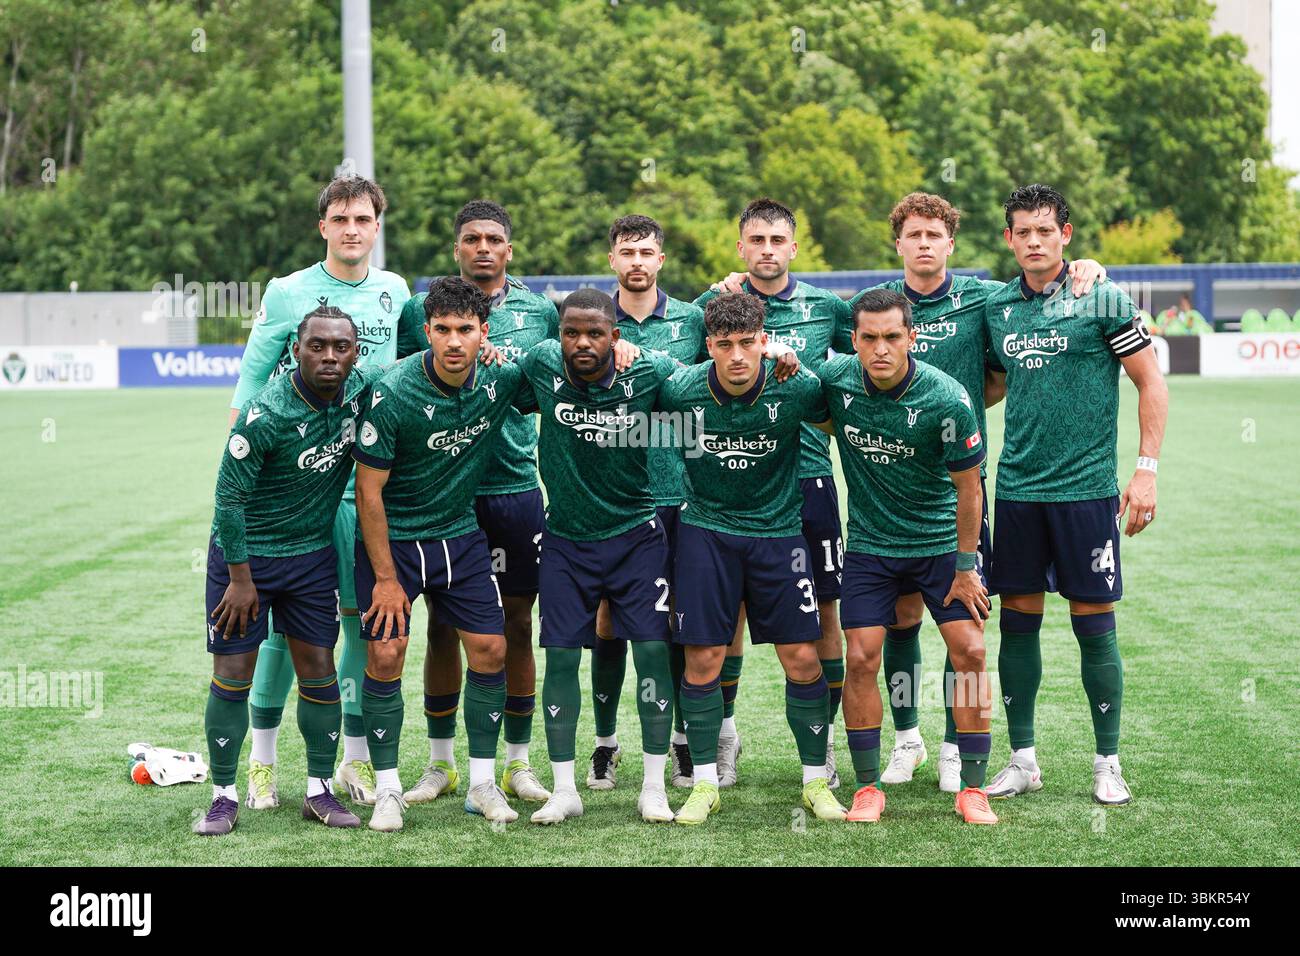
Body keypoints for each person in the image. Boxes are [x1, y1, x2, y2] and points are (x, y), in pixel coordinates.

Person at [844, 192, 1106, 793]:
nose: (925, 244)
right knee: (901, 623)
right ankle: (906, 740)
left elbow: (1005, 361)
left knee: (962, 631)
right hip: (887, 499)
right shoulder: (870, 307)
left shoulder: (984, 299)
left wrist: (1088, 267)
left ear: (951, 244)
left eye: (935, 235)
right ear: (899, 242)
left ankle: (956, 749)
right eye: (914, 235)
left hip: (958, 492)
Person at [982, 184, 1167, 806]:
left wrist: (1145, 471)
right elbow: (986, 378)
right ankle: (1023, 760)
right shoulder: (997, 306)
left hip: (1087, 493)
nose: (1033, 241)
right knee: (1018, 625)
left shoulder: (1101, 297)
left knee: (1094, 625)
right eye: (1022, 232)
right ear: (1009, 238)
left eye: (1044, 230)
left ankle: (1107, 762)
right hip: (1019, 492)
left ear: (1065, 233)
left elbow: (1151, 383)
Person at [232, 176, 410, 810]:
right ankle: (261, 761)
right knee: (286, 631)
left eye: (363, 218)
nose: (352, 229)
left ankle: (355, 763)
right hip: (296, 486)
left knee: (364, 623)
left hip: (362, 483)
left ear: (377, 225)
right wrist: (242, 468)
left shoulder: (395, 291)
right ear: (323, 227)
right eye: (340, 219)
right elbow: (253, 379)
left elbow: (411, 368)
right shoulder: (287, 293)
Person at [351, 277, 535, 830]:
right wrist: (385, 578)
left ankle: (481, 782)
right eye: (444, 330)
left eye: (466, 330)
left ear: (484, 332)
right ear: (426, 331)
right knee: (386, 654)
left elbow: (569, 372)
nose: (454, 341)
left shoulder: (501, 377)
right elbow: (368, 491)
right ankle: (388, 790)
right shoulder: (392, 391)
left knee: (491, 647)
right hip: (397, 542)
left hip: (460, 534)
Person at [659, 292, 845, 825]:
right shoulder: (681, 390)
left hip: (778, 536)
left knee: (803, 659)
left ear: (765, 341)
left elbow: (846, 409)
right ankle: (703, 783)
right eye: (724, 345)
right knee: (703, 662)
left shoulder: (798, 387)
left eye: (747, 343)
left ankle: (815, 781)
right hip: (705, 536)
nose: (737, 356)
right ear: (709, 347)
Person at [395, 200, 555, 808]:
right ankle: (440, 765)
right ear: (457, 247)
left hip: (512, 487)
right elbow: (411, 381)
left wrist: (503, 367)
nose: (482, 247)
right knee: (442, 626)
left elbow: (543, 389)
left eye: (494, 239)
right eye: (471, 238)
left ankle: (516, 762)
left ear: (510, 249)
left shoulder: (539, 310)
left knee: (515, 626)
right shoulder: (423, 309)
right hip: (442, 494)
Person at [816, 289, 997, 825]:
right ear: (853, 341)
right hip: (871, 546)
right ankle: (868, 787)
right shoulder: (837, 383)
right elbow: (792, 398)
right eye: (869, 338)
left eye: (892, 336)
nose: (881, 349)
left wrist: (966, 567)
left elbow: (970, 490)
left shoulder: (946, 399)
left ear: (911, 338)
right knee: (863, 657)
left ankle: (973, 787)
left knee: (970, 652)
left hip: (941, 545)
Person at [196, 306, 379, 835]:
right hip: (245, 561)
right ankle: (224, 795)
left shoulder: (362, 394)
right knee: (233, 676)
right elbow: (227, 499)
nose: (328, 356)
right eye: (316, 346)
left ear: (355, 353)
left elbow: (415, 377)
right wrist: (239, 578)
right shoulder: (266, 413)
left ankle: (319, 790)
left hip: (310, 558)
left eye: (340, 347)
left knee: (320, 673)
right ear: (295, 351)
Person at [695, 198, 850, 789]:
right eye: (755, 240)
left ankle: (824, 744)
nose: (766, 250)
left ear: (793, 246)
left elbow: (877, 344)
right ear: (741, 247)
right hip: (735, 485)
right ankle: (725, 738)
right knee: (728, 613)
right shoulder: (713, 308)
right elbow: (686, 382)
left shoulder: (827, 307)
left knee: (824, 614)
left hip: (808, 481)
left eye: (776, 240)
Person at [515, 288, 684, 824]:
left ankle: (654, 786)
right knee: (562, 656)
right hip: (564, 541)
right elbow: (492, 375)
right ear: (558, 335)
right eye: (571, 333)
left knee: (653, 655)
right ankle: (565, 789)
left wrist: (773, 354)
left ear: (616, 336)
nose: (582, 343)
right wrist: (490, 353)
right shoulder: (542, 364)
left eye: (595, 333)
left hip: (637, 538)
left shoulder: (650, 371)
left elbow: (714, 381)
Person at [586, 214, 706, 792]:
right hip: (613, 497)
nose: (637, 260)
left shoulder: (694, 318)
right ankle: (605, 744)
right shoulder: (587, 322)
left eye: (647, 251)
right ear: (612, 259)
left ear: (662, 260)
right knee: (608, 621)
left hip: (680, 491)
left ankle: (682, 742)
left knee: (677, 619)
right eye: (626, 251)